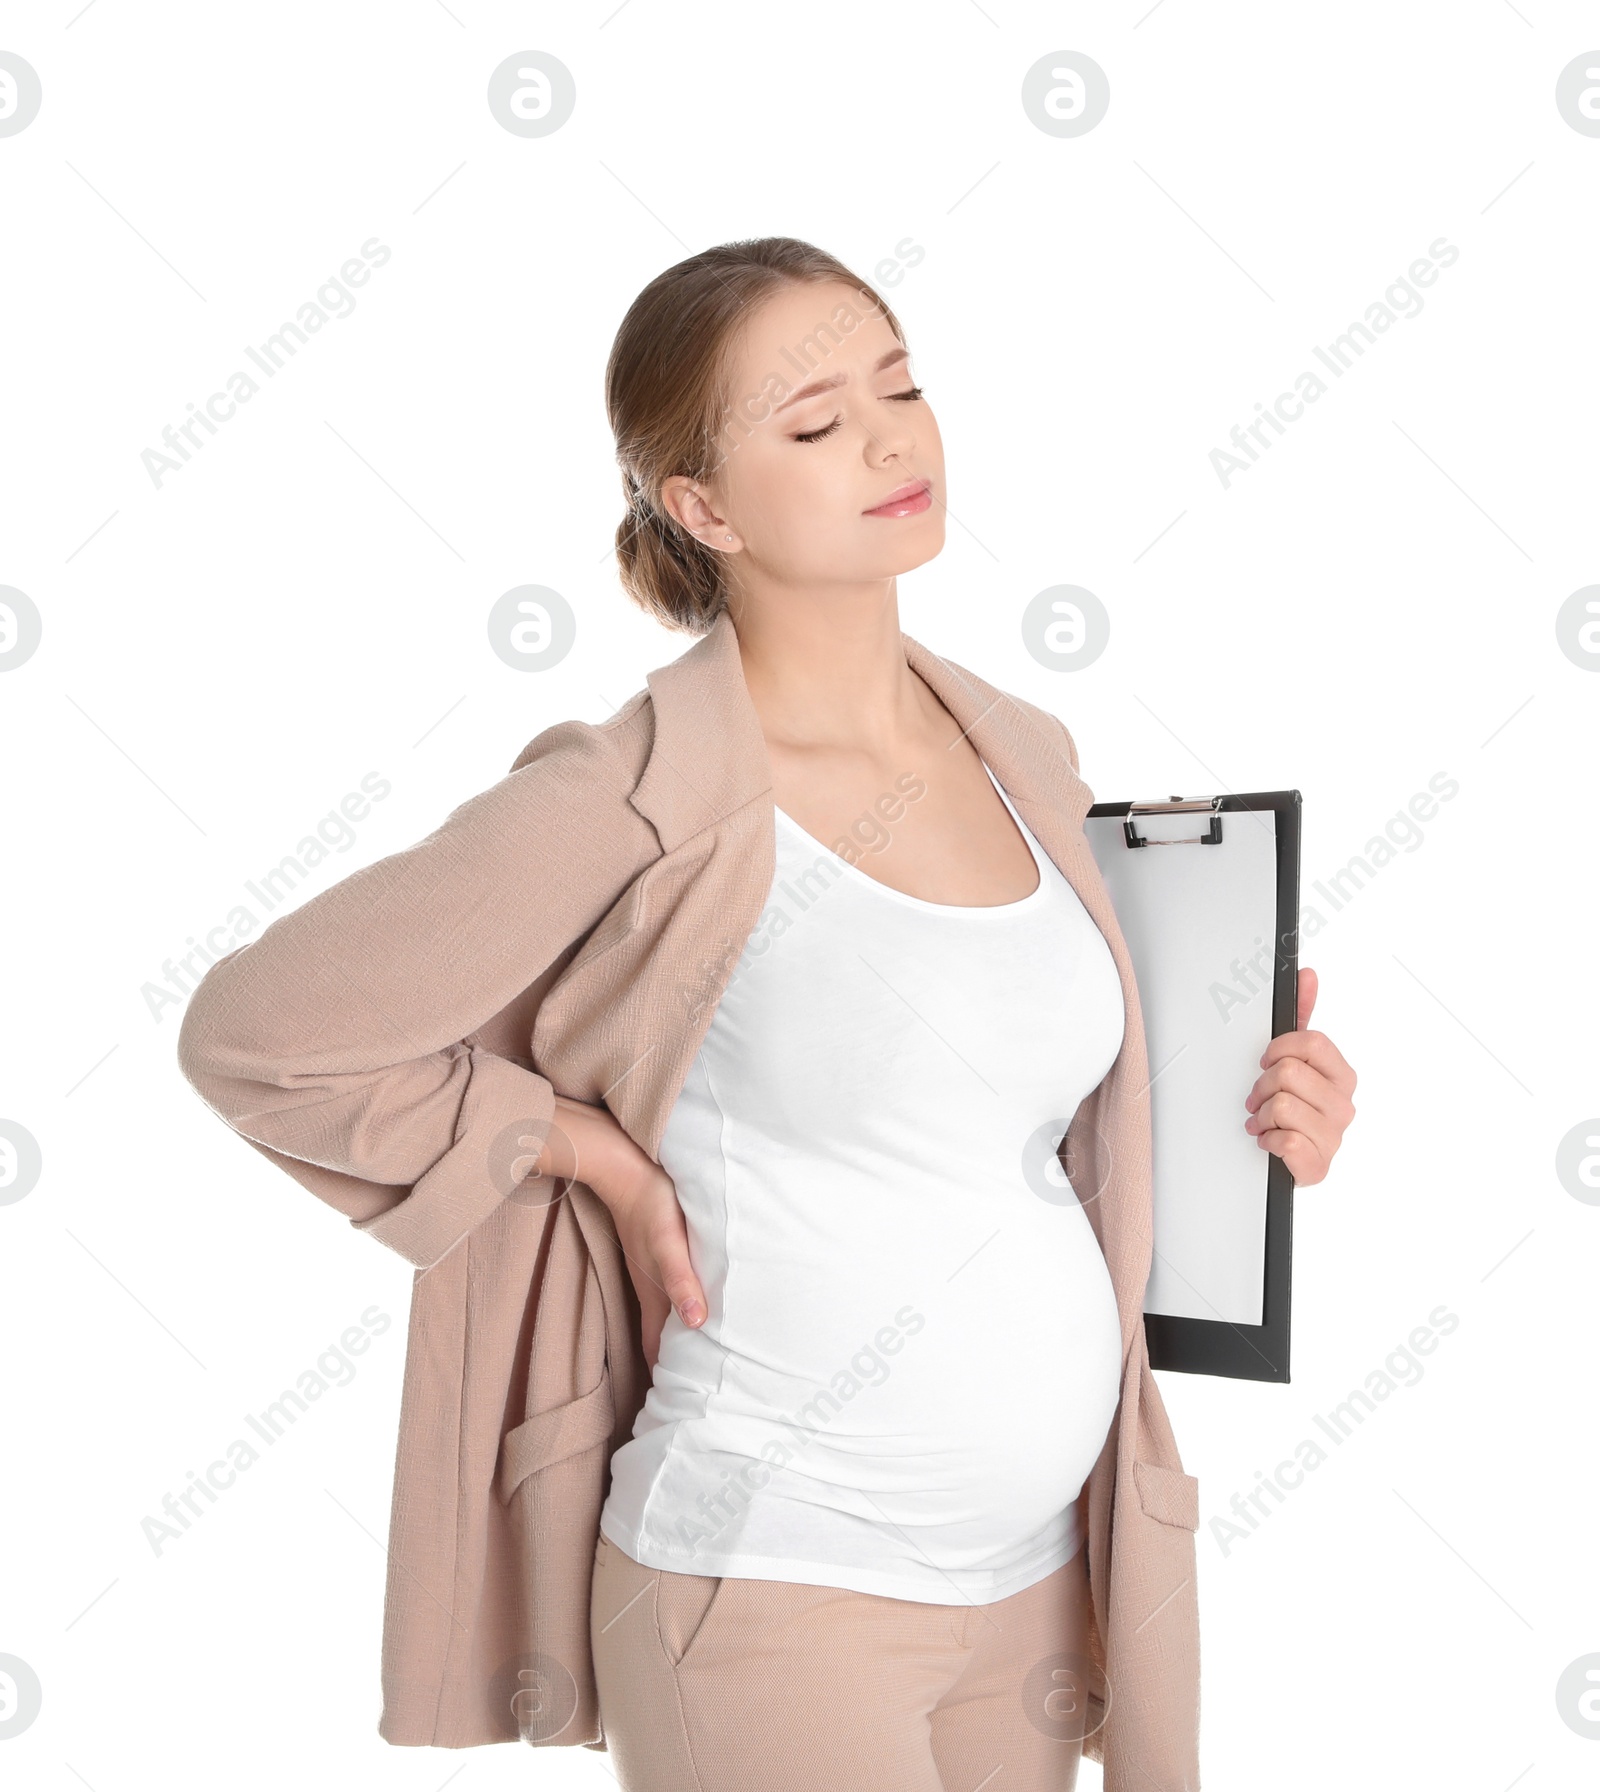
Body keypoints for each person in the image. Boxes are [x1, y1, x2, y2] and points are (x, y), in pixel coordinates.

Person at [176, 237, 1356, 1792]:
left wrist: (1261, 1120)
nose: (889, 436)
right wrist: (575, 1146)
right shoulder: (640, 790)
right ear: (702, 507)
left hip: (1036, 1582)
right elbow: (256, 1031)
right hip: (769, 1586)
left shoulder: (1029, 756)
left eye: (902, 383)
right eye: (812, 422)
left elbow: (1036, 1130)